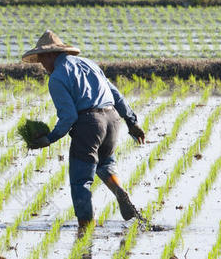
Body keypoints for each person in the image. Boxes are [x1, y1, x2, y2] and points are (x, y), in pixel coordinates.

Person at [21, 30, 146, 229]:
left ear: (51, 55)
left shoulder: (57, 78)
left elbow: (69, 116)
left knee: (81, 182)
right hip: (113, 120)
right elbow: (116, 94)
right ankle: (119, 190)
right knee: (105, 164)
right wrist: (132, 122)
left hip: (90, 124)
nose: (43, 66)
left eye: (43, 60)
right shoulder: (90, 64)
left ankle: (85, 230)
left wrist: (50, 138)